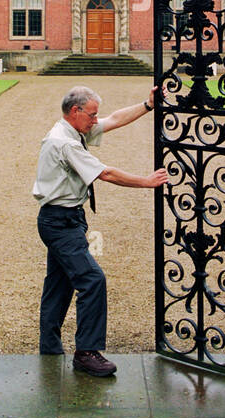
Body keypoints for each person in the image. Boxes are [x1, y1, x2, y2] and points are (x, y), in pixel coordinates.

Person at [33, 84, 168, 376]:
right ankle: (86, 353)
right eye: (92, 115)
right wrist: (146, 182)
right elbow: (104, 173)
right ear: (74, 111)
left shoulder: (75, 130)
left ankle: (50, 350)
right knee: (92, 280)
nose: (96, 121)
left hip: (65, 219)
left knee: (59, 286)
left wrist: (147, 104)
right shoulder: (64, 142)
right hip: (60, 223)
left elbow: (115, 120)